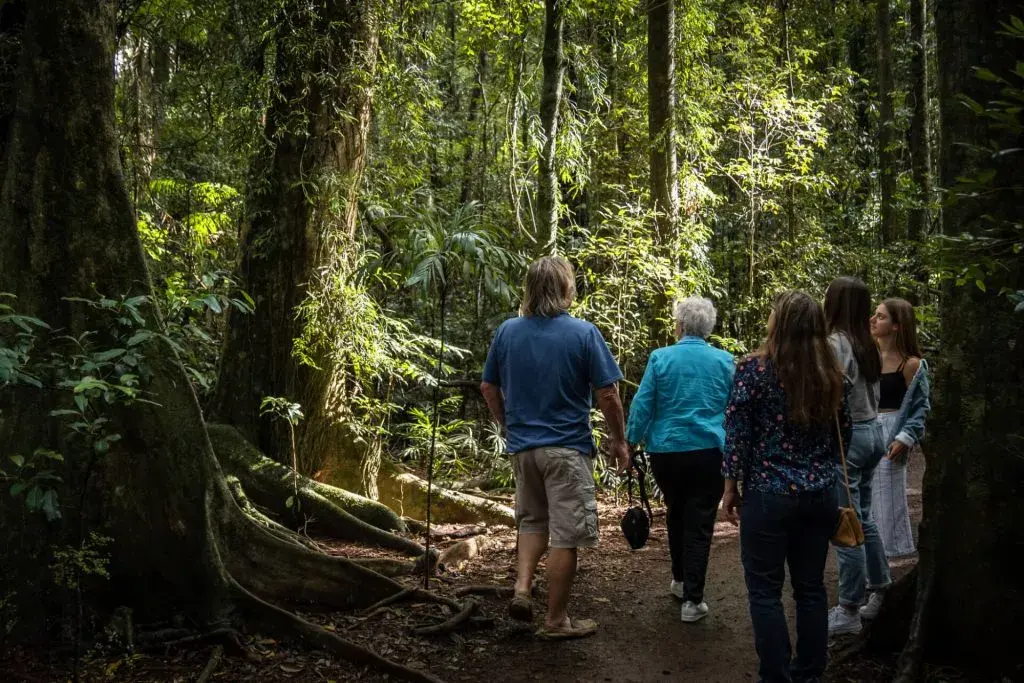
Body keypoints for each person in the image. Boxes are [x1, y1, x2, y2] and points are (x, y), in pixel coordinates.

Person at [480, 256, 630, 640]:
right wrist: (619, 440)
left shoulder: (507, 332)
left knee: (532, 522)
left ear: (529, 289)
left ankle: (522, 589)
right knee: (566, 535)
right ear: (566, 289)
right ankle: (556, 621)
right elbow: (608, 393)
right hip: (566, 450)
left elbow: (488, 386)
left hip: (523, 450)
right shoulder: (583, 333)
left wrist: (508, 425)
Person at [722, 290, 851, 683]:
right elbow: (844, 434)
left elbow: (738, 434)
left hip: (768, 494)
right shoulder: (831, 374)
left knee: (764, 590)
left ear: (779, 323)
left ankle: (776, 675)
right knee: (810, 587)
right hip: (820, 493)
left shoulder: (754, 370)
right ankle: (809, 672)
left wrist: (730, 486)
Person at [626, 296, 735, 623]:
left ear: (681, 325)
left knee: (676, 511)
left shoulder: (661, 358)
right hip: (708, 452)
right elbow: (735, 411)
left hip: (666, 453)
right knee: (699, 521)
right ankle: (692, 600)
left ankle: (679, 581)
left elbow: (643, 404)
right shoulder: (724, 361)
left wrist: (630, 442)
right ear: (708, 327)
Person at [823, 276, 891, 636]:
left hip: (849, 438)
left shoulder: (836, 342)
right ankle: (880, 587)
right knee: (863, 516)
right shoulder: (867, 343)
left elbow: (832, 393)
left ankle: (849, 607)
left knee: (845, 522)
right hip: (873, 432)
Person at [867, 298, 930, 571]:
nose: (873, 320)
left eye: (881, 316)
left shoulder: (911, 364)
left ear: (897, 325)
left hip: (893, 434)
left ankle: (887, 568)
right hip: (866, 433)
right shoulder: (867, 358)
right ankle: (869, 569)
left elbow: (920, 407)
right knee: (865, 501)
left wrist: (905, 438)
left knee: (888, 499)